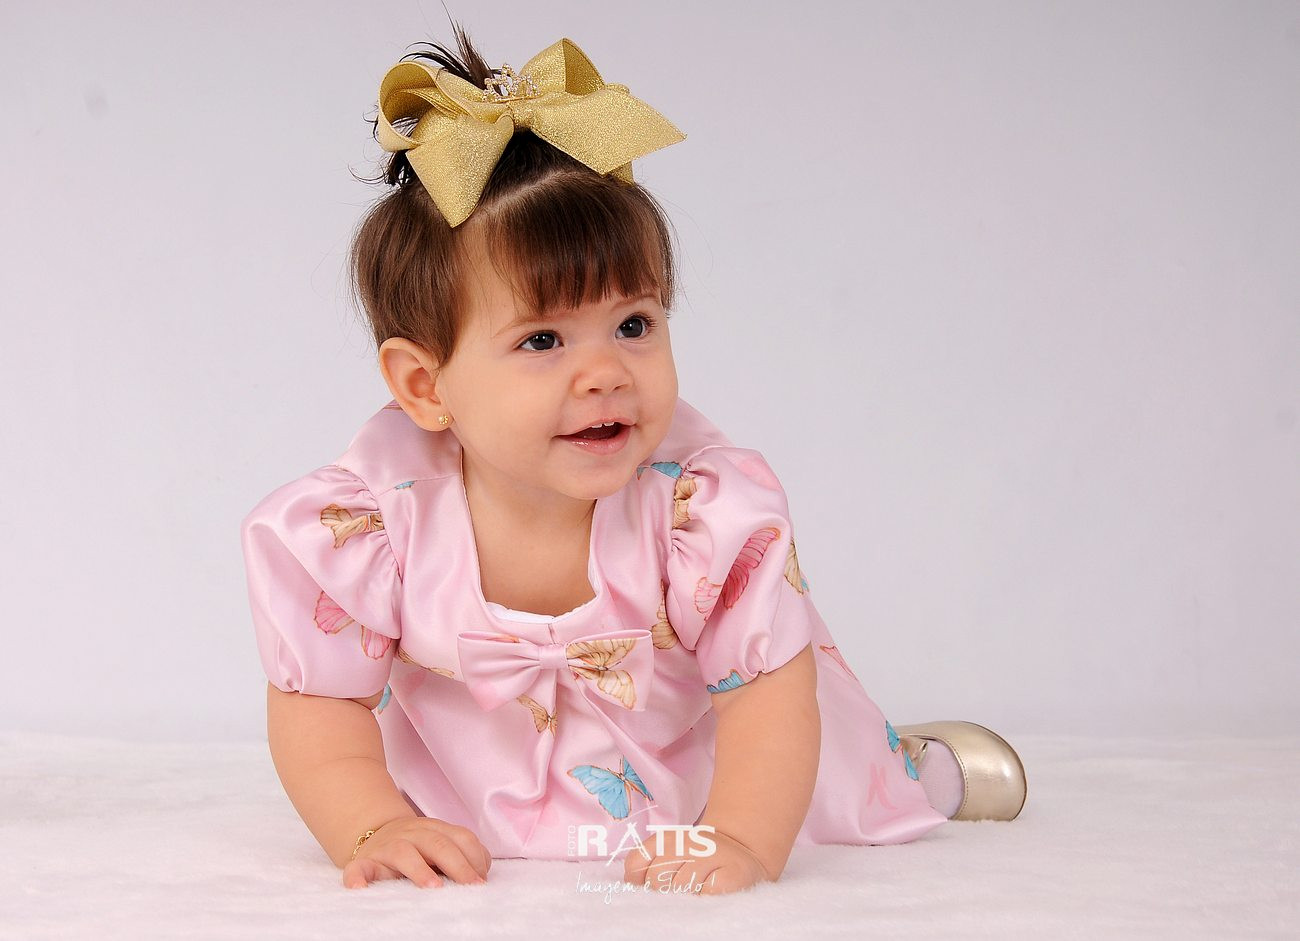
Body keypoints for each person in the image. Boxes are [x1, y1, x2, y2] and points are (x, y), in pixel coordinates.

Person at [239, 24, 1027, 897]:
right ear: (427, 386)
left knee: (835, 783)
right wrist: (373, 823)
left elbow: (765, 692)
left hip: (706, 769)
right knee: (394, 796)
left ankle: (904, 760)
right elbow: (321, 702)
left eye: (634, 324)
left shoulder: (696, 511)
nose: (605, 372)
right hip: (464, 785)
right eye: (543, 339)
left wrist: (741, 836)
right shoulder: (377, 525)